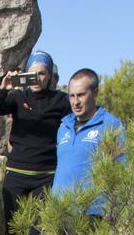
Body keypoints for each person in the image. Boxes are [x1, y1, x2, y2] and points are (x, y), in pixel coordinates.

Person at [0, 52, 71, 235]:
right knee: (13, 229)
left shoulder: (61, 100)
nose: (37, 78)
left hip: (45, 177)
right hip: (16, 175)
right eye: (32, 74)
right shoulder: (18, 97)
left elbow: (75, 120)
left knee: (36, 231)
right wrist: (4, 87)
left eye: (42, 74)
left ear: (50, 76)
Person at [52, 71, 126, 212]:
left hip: (93, 212)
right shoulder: (64, 126)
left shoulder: (110, 124)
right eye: (72, 96)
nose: (75, 102)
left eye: (81, 95)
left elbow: (122, 170)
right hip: (60, 211)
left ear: (95, 93)